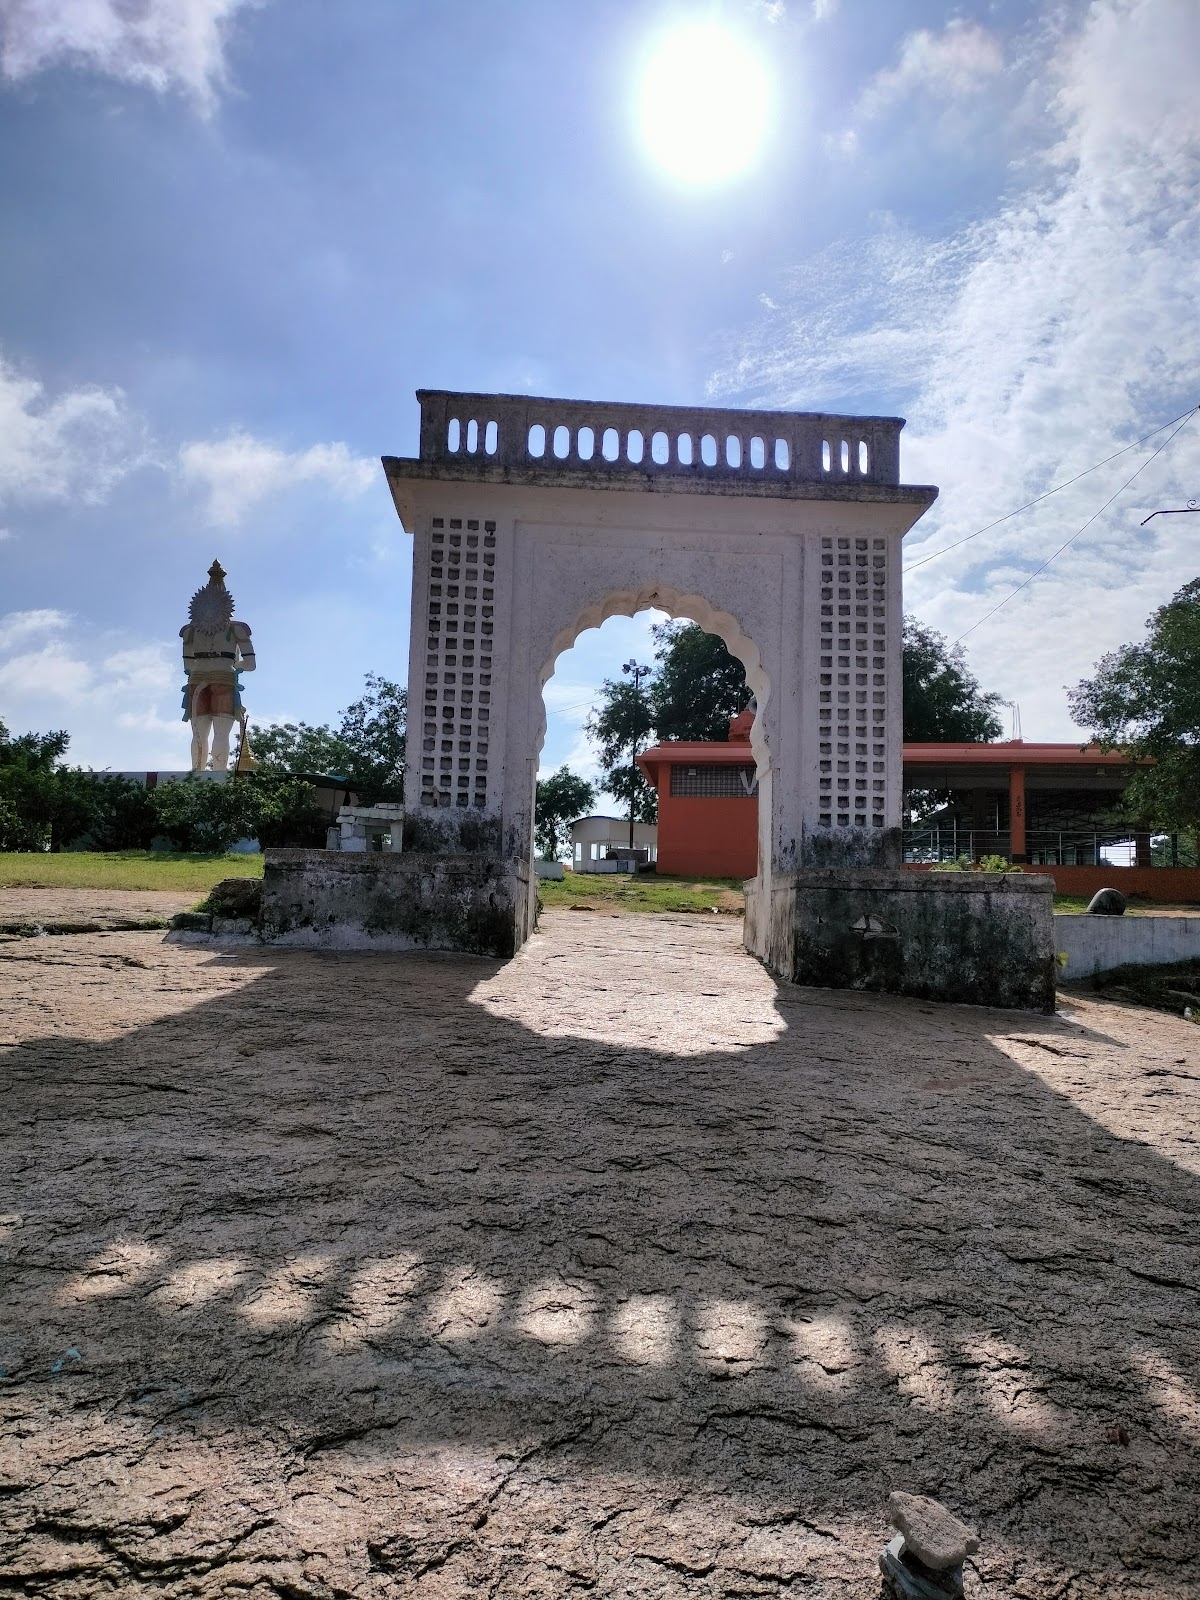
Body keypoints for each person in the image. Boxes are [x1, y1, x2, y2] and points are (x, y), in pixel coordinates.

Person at [180, 559, 256, 771]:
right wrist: (236, 666)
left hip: (197, 681)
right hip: (224, 679)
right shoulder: (238, 630)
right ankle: (218, 779)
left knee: (198, 735)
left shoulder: (189, 631)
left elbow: (187, 667)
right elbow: (250, 664)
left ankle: (197, 775)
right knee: (221, 734)